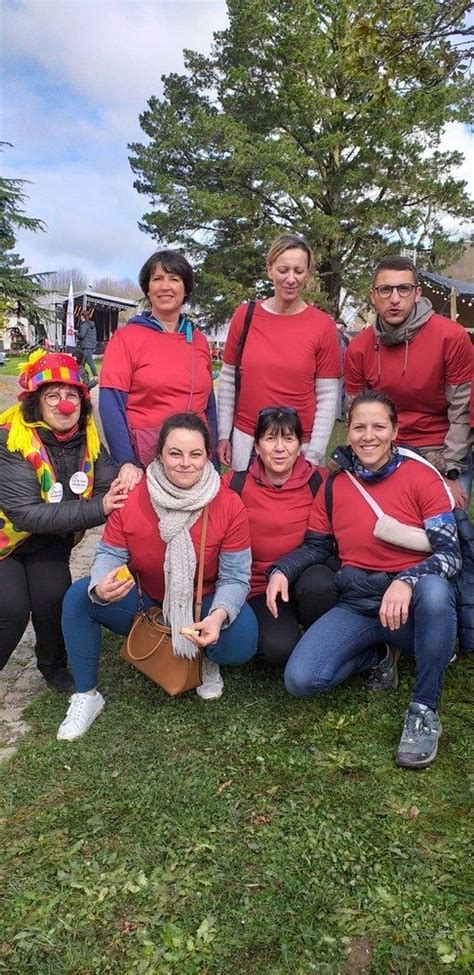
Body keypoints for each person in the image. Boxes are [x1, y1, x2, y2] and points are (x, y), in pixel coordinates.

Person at [267, 391, 461, 769]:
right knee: (301, 680)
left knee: (436, 592)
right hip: (358, 599)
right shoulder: (336, 485)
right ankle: (378, 654)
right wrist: (281, 570)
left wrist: (407, 580)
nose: (368, 436)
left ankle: (423, 711)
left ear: (394, 431)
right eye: (359, 427)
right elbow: (317, 547)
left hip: (414, 603)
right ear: (347, 431)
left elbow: (450, 556)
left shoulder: (422, 476)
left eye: (378, 426)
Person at [56, 413, 258, 741]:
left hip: (203, 600)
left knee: (241, 643)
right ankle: (86, 695)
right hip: (146, 598)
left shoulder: (228, 504)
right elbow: (110, 552)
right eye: (175, 453)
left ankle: (206, 656)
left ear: (208, 456)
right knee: (80, 597)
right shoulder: (134, 497)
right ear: (159, 455)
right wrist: (103, 581)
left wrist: (218, 616)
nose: (185, 463)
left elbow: (235, 577)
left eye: (195, 454)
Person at [0, 351, 124, 692]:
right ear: (36, 402)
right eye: (52, 395)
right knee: (11, 610)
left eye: (71, 395)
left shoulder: (88, 436)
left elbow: (108, 483)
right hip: (6, 544)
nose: (64, 405)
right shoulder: (10, 438)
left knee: (53, 598)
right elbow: (25, 512)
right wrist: (100, 508)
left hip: (49, 541)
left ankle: (53, 668)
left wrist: (131, 476)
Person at [344, 255, 472, 508]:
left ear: (417, 293)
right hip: (385, 446)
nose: (394, 298)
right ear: (373, 296)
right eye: (385, 290)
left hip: (442, 446)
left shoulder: (451, 337)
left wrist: (452, 471)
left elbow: (463, 410)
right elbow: (355, 415)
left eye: (403, 289)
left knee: (450, 529)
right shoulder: (358, 348)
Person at [222, 405, 338, 667]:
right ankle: (287, 633)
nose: (279, 448)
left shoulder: (319, 481)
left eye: (288, 438)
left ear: (299, 445)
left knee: (321, 583)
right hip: (260, 587)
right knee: (278, 650)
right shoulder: (234, 483)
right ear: (256, 446)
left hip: (305, 578)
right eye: (270, 438)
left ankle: (320, 635)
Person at [217, 234, 341, 470]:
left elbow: (327, 396)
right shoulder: (245, 316)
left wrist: (314, 453)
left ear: (308, 273)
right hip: (248, 441)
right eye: (283, 270)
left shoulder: (322, 325)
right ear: (269, 269)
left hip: (298, 446)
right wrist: (224, 434)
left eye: (299, 270)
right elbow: (228, 380)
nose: (291, 279)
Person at [99, 250, 217, 490]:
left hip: (193, 458)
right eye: (157, 279)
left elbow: (209, 403)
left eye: (174, 279)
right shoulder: (126, 338)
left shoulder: (199, 340)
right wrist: (126, 461)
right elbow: (111, 405)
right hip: (145, 456)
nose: (166, 286)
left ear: (186, 288)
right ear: (147, 289)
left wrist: (211, 451)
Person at [78, 310, 98, 377]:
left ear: (82, 316)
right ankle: (83, 376)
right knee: (82, 362)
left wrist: (75, 332)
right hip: (91, 345)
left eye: (80, 316)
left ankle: (96, 376)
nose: (80, 318)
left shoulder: (84, 325)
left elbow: (82, 336)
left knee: (90, 362)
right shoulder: (92, 325)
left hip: (86, 346)